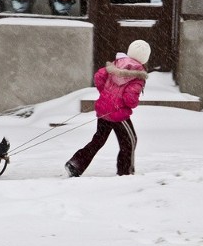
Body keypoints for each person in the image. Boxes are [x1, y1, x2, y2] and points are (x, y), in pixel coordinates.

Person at [65, 40, 151, 177]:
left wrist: (106, 95)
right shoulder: (138, 74)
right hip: (118, 113)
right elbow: (130, 99)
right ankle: (125, 172)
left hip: (104, 109)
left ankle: (76, 164)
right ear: (145, 57)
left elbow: (99, 77)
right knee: (130, 141)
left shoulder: (117, 63)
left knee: (98, 140)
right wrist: (130, 102)